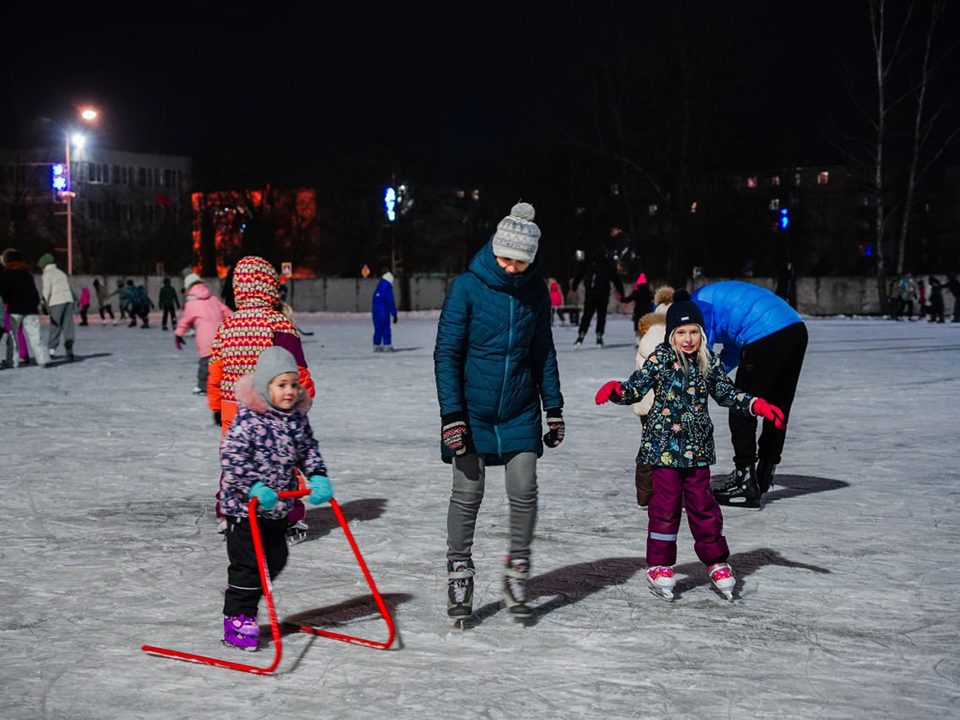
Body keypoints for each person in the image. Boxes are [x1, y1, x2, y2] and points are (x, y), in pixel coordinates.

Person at [594, 295, 785, 600]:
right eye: (681, 333)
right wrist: (617, 391)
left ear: (702, 333)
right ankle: (659, 565)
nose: (688, 339)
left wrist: (756, 405)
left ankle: (717, 562)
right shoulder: (659, 359)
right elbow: (636, 387)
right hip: (664, 451)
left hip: (697, 452)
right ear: (671, 335)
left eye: (693, 332)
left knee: (704, 508)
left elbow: (726, 393)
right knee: (665, 509)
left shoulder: (708, 361)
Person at [434, 201, 564, 622]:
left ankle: (517, 570)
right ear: (495, 249)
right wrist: (452, 415)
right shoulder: (467, 287)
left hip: (520, 409)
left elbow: (543, 351)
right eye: (507, 258)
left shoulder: (536, 290)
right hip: (471, 411)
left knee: (525, 489)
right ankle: (459, 569)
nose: (513, 268)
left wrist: (554, 407)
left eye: (522, 261)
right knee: (468, 493)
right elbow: (446, 353)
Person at [218, 346, 333, 651]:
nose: (290, 391)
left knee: (276, 560)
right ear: (264, 387)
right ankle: (236, 619)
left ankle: (240, 595)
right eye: (281, 385)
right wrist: (253, 486)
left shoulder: (296, 418)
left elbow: (308, 449)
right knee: (249, 567)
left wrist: (317, 475)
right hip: (245, 508)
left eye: (293, 384)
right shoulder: (248, 418)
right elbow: (232, 456)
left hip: (277, 508)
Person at [689, 282, 807, 508]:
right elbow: (733, 351)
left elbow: (701, 345)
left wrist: (694, 379)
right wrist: (714, 374)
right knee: (777, 406)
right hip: (795, 328)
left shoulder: (696, 303)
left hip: (765, 332)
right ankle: (764, 473)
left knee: (742, 404)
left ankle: (745, 480)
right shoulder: (709, 296)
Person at [630, 286, 674, 506]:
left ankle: (645, 495)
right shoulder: (674, 330)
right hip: (667, 402)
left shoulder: (647, 329)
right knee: (672, 448)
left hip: (646, 401)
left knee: (649, 446)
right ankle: (673, 493)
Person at [174, 273, 232, 394]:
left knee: (205, 363)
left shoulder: (191, 304)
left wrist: (179, 334)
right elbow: (228, 313)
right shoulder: (214, 299)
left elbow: (185, 320)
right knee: (221, 362)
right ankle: (225, 383)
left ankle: (203, 386)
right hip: (222, 337)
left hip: (205, 339)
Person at [0, 249, 49, 367]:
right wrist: (34, 304)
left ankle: (12, 361)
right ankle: (43, 359)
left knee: (13, 337)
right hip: (31, 310)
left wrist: (6, 301)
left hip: (15, 310)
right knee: (36, 336)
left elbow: (4, 292)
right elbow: (35, 293)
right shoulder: (27, 275)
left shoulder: (7, 274)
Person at [572, 245, 624, 348]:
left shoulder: (589, 263)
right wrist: (621, 292)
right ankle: (599, 335)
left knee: (587, 315)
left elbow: (579, 274)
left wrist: (574, 285)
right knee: (601, 316)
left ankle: (581, 334)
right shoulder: (607, 265)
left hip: (590, 293)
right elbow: (616, 279)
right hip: (603, 294)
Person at [38, 253, 75, 361]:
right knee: (68, 326)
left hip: (56, 301)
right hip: (68, 300)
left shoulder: (47, 274)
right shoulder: (61, 273)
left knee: (56, 325)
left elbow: (46, 289)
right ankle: (69, 350)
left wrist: (43, 302)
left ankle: (52, 350)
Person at [620, 273, 654, 342]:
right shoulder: (649, 292)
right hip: (647, 311)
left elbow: (628, 299)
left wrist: (621, 298)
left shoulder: (636, 292)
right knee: (647, 325)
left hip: (638, 311)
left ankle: (638, 338)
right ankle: (646, 339)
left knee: (638, 325)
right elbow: (653, 300)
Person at [371, 270, 398, 352]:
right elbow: (390, 301)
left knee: (378, 328)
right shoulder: (387, 289)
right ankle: (387, 344)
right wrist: (394, 313)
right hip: (383, 310)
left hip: (375, 311)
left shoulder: (378, 289)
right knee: (386, 327)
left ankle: (377, 344)